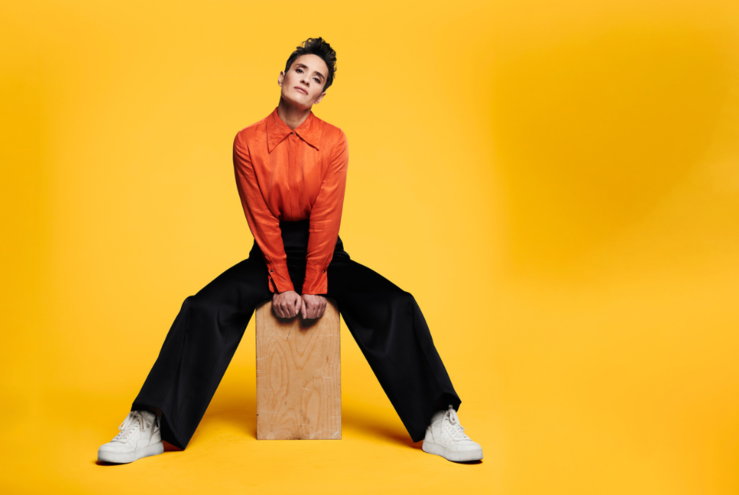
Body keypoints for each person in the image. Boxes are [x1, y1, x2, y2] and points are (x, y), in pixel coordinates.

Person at [97, 37, 483, 464]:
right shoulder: (246, 141)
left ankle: (437, 420)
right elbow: (260, 215)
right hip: (268, 251)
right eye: (301, 71)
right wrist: (281, 281)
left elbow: (327, 213)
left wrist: (316, 282)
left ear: (320, 95)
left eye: (317, 78)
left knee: (397, 305)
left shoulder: (334, 141)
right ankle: (148, 421)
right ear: (282, 77)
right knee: (202, 308)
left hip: (324, 251)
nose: (306, 80)